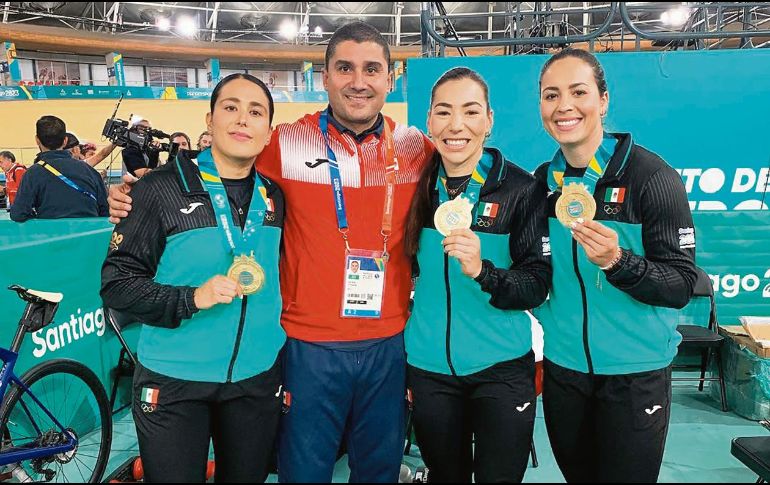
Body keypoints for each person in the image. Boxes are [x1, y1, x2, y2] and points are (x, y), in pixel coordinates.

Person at [107, 22, 432, 483]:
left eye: (371, 69)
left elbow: (468, 173)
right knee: (302, 472)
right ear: (324, 77)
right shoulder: (281, 142)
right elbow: (217, 167)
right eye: (344, 68)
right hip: (305, 346)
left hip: (388, 341)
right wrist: (137, 195)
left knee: (378, 470)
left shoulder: (416, 149)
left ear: (390, 78)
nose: (358, 81)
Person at [101, 73, 285, 483]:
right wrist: (190, 298)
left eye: (255, 112)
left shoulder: (275, 197)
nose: (242, 120)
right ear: (210, 119)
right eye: (230, 108)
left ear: (268, 133)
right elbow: (117, 283)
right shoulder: (158, 190)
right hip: (174, 382)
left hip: (255, 379)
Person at [532, 48, 698, 483]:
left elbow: (681, 283)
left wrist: (619, 262)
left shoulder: (651, 177)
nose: (564, 106)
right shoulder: (540, 184)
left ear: (603, 101)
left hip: (634, 375)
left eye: (578, 92)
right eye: (551, 95)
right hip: (565, 371)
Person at [403, 67, 550, 483]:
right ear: (429, 121)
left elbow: (537, 285)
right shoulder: (416, 184)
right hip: (429, 368)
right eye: (444, 112)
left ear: (489, 120)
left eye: (470, 112)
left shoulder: (521, 189)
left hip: (500, 370)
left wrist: (484, 272)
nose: (456, 126)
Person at [11, 116, 108, 222]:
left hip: (52, 236)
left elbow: (18, 214)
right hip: (89, 235)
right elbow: (105, 211)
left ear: (37, 140)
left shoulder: (32, 174)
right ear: (65, 140)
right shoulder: (90, 171)